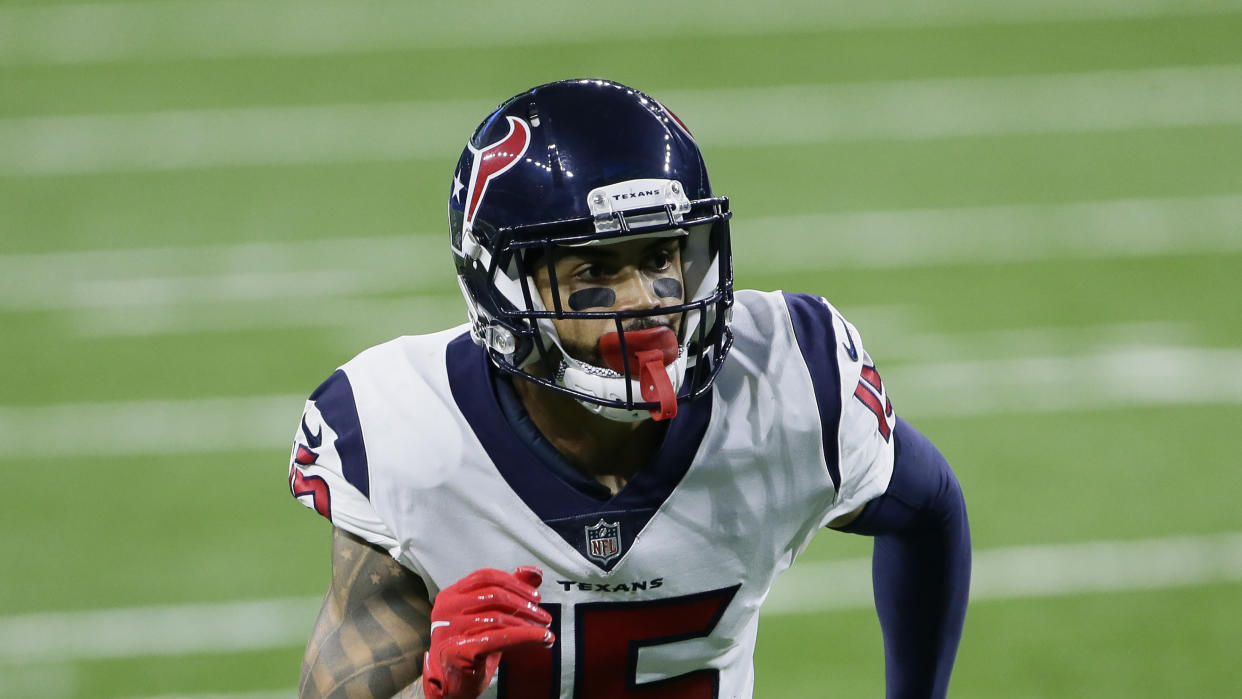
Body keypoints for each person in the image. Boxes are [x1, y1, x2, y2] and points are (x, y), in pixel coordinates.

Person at [288, 78, 971, 699]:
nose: (642, 300)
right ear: (501, 285)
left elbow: (930, 507)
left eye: (656, 256)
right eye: (596, 268)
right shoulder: (403, 429)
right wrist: (440, 691)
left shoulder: (784, 378)